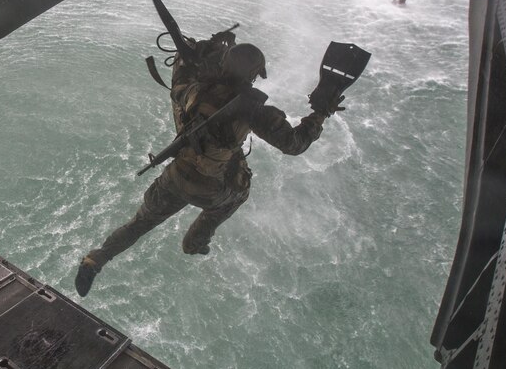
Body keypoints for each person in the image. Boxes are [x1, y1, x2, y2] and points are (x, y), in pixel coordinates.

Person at [75, 31, 345, 296]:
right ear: (253, 75)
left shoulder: (193, 90)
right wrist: (320, 114)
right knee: (239, 193)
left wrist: (205, 49)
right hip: (211, 190)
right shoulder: (253, 111)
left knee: (140, 223)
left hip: (175, 176)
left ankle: (96, 259)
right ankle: (195, 242)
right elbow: (294, 145)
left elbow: (180, 76)